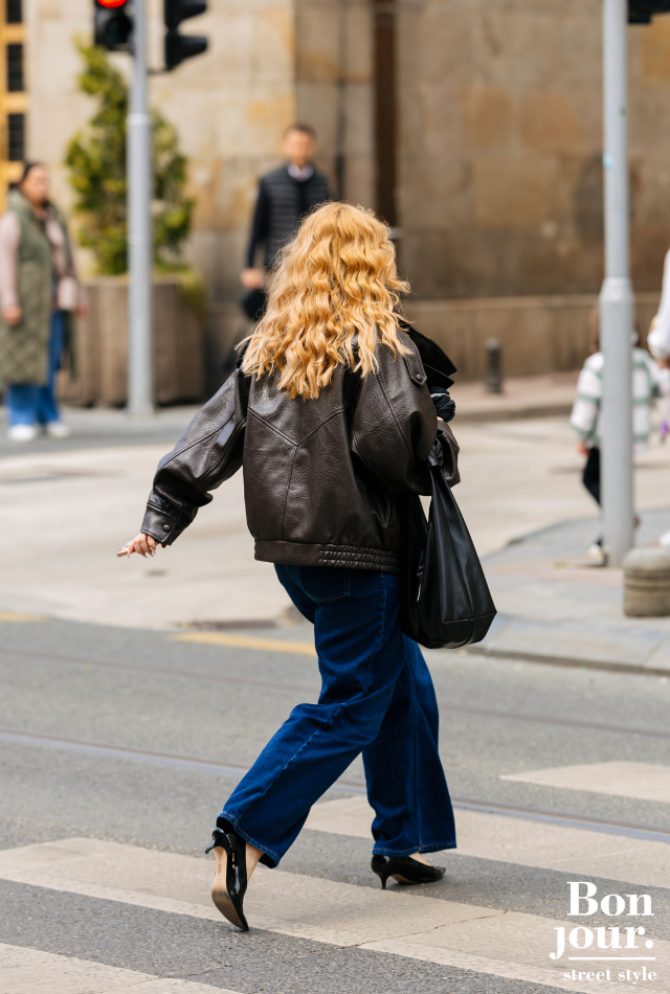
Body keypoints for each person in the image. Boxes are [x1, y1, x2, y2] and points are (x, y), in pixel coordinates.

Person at [121, 203, 457, 932]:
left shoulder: (270, 347)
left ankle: (400, 841)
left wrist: (161, 518)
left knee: (404, 684)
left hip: (296, 556)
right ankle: (244, 827)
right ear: (370, 263)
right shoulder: (378, 346)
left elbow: (206, 440)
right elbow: (399, 454)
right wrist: (437, 422)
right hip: (359, 552)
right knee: (353, 701)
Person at [570, 312, 667, 564]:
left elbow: (587, 405)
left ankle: (621, 523)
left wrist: (581, 435)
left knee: (590, 478)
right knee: (614, 485)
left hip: (604, 438)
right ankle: (608, 536)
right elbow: (661, 387)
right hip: (633, 437)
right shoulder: (643, 360)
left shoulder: (597, 363)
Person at [0, 161, 82, 442]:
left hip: (54, 302)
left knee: (49, 360)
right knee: (22, 361)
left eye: (46, 180)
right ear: (23, 184)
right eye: (36, 180)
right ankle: (21, 416)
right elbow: (5, 263)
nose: (42, 186)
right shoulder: (14, 219)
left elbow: (68, 259)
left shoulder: (53, 216)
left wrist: (77, 294)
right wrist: (9, 301)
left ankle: (48, 414)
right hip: (25, 302)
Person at [239, 123, 331, 319]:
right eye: (295, 144)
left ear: (312, 147)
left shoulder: (322, 183)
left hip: (314, 265)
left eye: (305, 144)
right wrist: (248, 266)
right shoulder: (270, 181)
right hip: (277, 265)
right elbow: (257, 227)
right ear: (286, 146)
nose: (300, 149)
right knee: (279, 318)